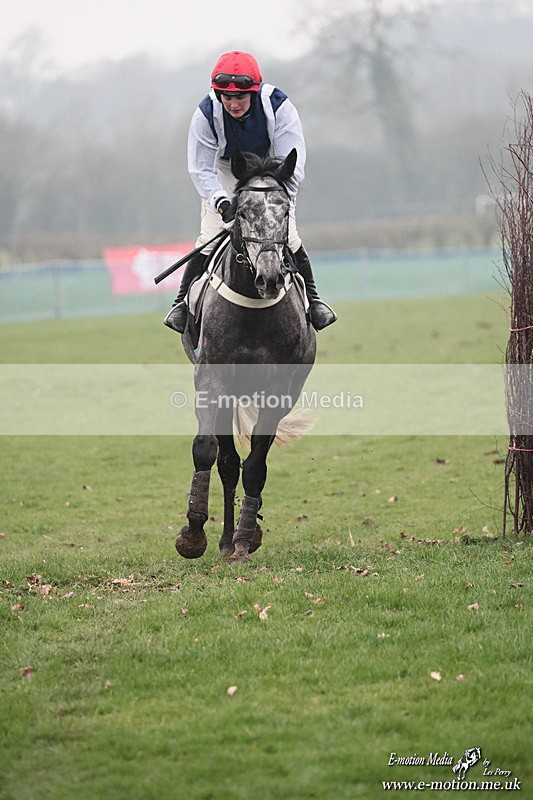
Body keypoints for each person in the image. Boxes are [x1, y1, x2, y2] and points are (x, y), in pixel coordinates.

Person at [164, 50, 336, 333]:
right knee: (208, 238)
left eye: (240, 97)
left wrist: (276, 201)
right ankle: (181, 303)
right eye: (226, 97)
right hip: (226, 172)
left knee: (290, 238)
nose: (233, 104)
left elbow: (291, 163)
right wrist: (222, 204)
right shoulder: (205, 113)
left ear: (254, 92)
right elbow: (201, 169)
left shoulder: (279, 107)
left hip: (271, 173)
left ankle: (314, 303)